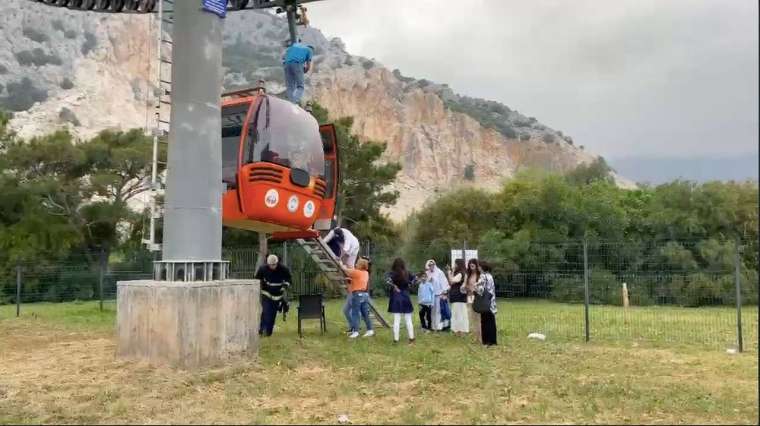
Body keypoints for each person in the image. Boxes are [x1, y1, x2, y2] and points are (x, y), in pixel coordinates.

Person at [255, 254, 292, 336]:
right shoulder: (263, 269)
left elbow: (289, 279)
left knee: (272, 314)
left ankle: (268, 332)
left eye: (274, 264)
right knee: (266, 311)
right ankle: (261, 330)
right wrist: (260, 287)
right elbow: (257, 279)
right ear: (268, 264)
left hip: (278, 294)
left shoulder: (283, 269)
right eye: (271, 265)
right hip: (266, 293)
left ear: (277, 263)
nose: (273, 266)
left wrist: (284, 286)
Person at [341, 258, 374, 339]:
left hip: (357, 294)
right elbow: (358, 279)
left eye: (357, 264)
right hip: (365, 294)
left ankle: (355, 331)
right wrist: (351, 280)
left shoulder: (356, 272)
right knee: (365, 313)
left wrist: (341, 264)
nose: (355, 265)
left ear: (361, 265)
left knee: (355, 313)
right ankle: (370, 330)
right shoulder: (366, 273)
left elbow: (345, 270)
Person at [386, 258, 415, 344]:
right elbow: (415, 279)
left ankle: (396, 340)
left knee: (396, 320)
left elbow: (387, 280)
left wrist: (394, 286)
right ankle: (411, 339)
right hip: (405, 296)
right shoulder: (407, 273)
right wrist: (410, 284)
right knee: (408, 319)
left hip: (396, 297)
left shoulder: (392, 273)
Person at [282, 41, 314, 105]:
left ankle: (290, 102)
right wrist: (304, 71)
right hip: (297, 64)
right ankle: (294, 102)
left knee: (290, 86)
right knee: (300, 86)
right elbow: (308, 65)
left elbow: (284, 57)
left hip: (286, 64)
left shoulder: (294, 46)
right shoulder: (310, 50)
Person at [474, 261, 498, 346]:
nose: (478, 268)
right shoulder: (490, 276)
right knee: (491, 321)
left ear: (481, 267)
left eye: (479, 266)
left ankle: (486, 341)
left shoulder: (482, 276)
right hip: (491, 301)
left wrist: (475, 287)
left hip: (484, 302)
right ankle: (493, 340)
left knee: (485, 321)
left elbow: (481, 289)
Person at [446, 259, 469, 336]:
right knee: (457, 314)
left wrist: (449, 272)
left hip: (459, 297)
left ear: (458, 264)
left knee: (459, 314)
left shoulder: (460, 273)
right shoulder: (459, 273)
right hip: (458, 297)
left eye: (455, 264)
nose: (454, 265)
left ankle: (461, 331)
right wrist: (452, 271)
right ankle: (458, 331)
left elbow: (451, 281)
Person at [425, 259, 449, 332]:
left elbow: (444, 282)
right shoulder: (427, 273)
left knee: (438, 310)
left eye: (432, 265)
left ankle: (438, 327)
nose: (431, 266)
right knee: (431, 311)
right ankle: (432, 325)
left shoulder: (439, 272)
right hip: (430, 295)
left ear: (434, 265)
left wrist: (444, 292)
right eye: (429, 265)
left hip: (439, 294)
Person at [465, 258, 482, 341]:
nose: (471, 264)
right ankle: (475, 336)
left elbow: (482, 287)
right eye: (470, 263)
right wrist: (467, 287)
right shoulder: (468, 275)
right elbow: (465, 286)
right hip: (469, 297)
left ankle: (481, 336)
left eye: (473, 263)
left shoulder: (480, 275)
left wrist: (475, 290)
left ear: (476, 265)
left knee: (478, 317)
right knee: (472, 317)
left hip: (477, 298)